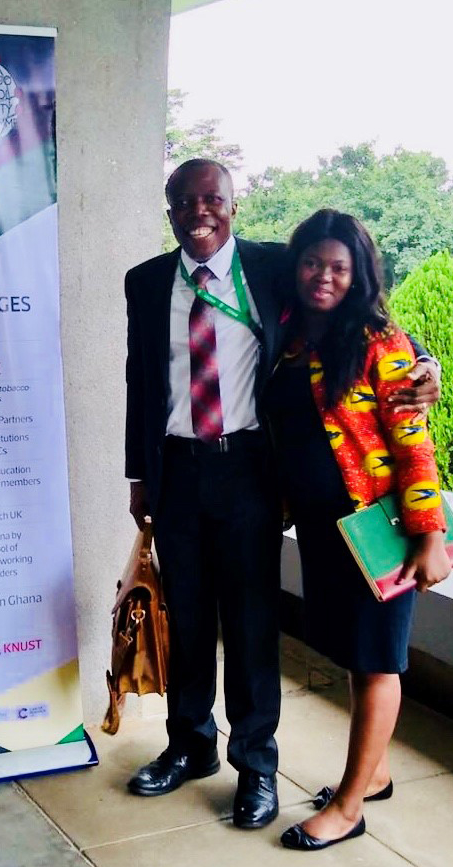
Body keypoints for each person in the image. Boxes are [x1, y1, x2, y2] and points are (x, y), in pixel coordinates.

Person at [123, 159, 439, 830]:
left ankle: (255, 764)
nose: (199, 211)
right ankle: (189, 744)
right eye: (184, 201)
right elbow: (138, 382)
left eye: (213, 198)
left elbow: (367, 320)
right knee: (184, 615)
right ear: (169, 208)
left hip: (247, 472)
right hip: (176, 469)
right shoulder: (147, 282)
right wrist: (137, 476)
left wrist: (425, 364)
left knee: (249, 620)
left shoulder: (272, 267)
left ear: (233, 206)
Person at [265, 209, 450, 851]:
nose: (323, 276)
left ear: (359, 274)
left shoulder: (379, 341)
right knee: (354, 653)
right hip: (323, 528)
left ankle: (348, 807)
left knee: (376, 663)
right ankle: (376, 773)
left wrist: (431, 538)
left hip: (379, 529)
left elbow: (415, 446)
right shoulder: (292, 337)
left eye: (339, 267)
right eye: (313, 262)